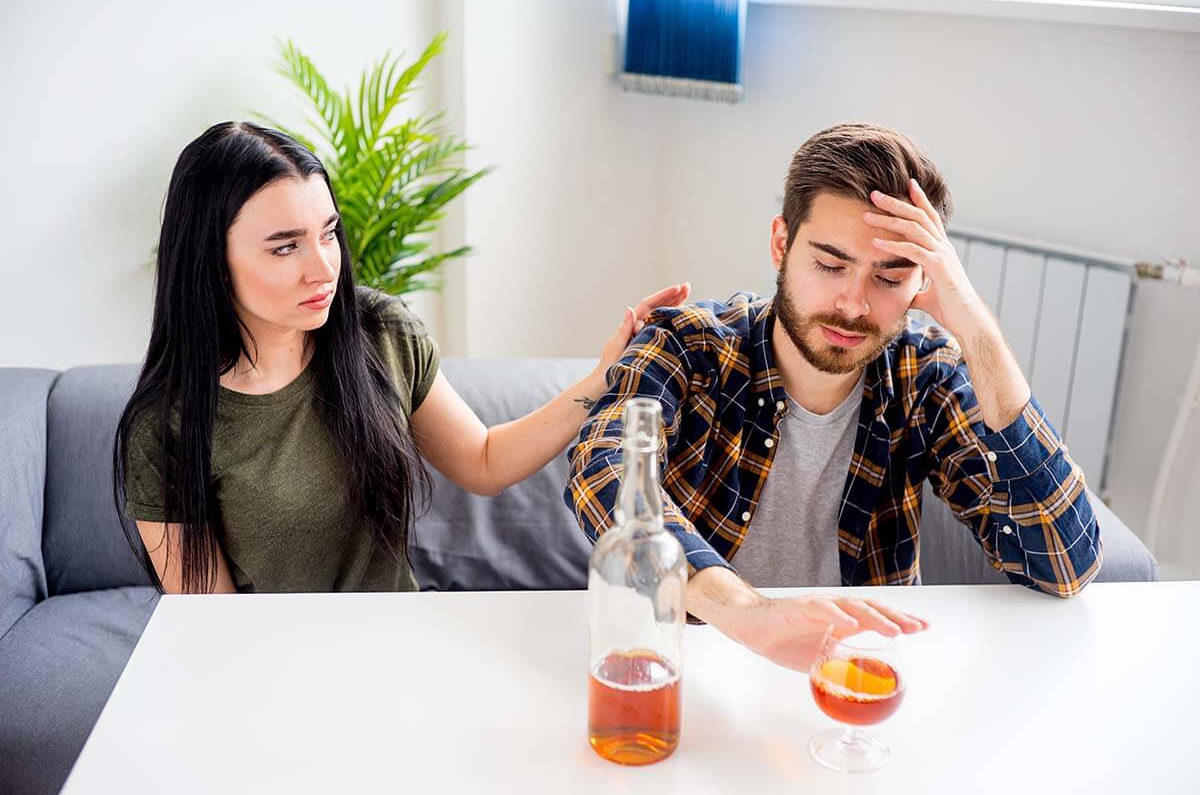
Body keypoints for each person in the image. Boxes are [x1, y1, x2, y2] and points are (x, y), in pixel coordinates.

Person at [566, 122, 1103, 671]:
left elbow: (1064, 565)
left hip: (851, 675)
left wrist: (977, 331)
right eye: (830, 265)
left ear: (923, 283)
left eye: (889, 279)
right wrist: (746, 612)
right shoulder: (688, 344)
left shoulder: (926, 375)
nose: (853, 305)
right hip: (685, 661)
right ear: (781, 244)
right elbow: (600, 471)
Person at [114, 120, 692, 595]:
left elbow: (484, 461)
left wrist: (603, 377)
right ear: (211, 260)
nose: (323, 267)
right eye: (285, 246)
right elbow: (214, 625)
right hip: (276, 677)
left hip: (402, 648)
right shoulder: (166, 425)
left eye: (328, 233)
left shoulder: (377, 332)